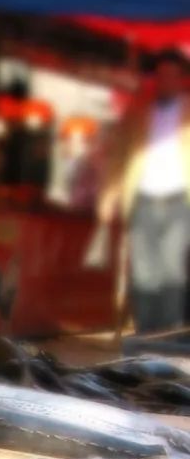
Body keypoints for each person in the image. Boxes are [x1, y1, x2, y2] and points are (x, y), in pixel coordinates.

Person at [95, 50, 190, 336]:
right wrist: (109, 195)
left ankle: (169, 336)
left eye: (172, 76)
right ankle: (147, 335)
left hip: (179, 202)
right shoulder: (138, 113)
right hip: (143, 200)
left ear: (183, 80)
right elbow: (118, 156)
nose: (166, 81)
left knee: (172, 272)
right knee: (144, 273)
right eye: (161, 76)